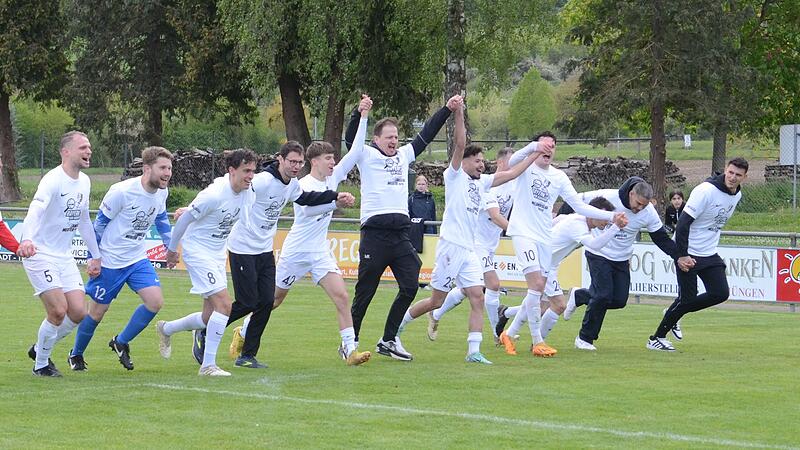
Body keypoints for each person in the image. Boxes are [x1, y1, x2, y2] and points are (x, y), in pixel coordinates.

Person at [397, 100, 543, 364]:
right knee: (435, 301)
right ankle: (397, 328)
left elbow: (510, 174)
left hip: (469, 251)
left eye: (483, 161)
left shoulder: (483, 183)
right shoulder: (454, 176)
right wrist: (459, 111)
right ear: (464, 162)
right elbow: (461, 143)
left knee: (477, 296)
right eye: (477, 161)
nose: (481, 165)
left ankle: (473, 351)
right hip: (451, 247)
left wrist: (534, 155)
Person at [189, 141, 352, 369]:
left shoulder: (292, 184)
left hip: (264, 249)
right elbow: (235, 189)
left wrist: (334, 198)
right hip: (242, 247)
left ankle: (247, 356)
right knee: (247, 302)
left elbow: (306, 198)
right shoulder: (264, 180)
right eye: (292, 161)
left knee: (266, 301)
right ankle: (207, 328)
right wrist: (193, 210)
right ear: (280, 159)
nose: (296, 166)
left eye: (299, 162)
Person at [342, 93, 459, 361]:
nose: (394, 141)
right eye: (388, 137)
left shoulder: (403, 155)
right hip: (374, 234)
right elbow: (351, 140)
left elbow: (427, 133)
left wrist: (446, 109)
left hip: (399, 236)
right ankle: (350, 342)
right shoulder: (366, 154)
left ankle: (388, 339)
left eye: (396, 136)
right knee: (365, 293)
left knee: (410, 282)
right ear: (376, 139)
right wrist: (358, 114)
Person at [266, 105, 373, 366]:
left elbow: (357, 150)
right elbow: (308, 209)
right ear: (314, 162)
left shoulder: (333, 178)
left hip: (319, 252)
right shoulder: (303, 185)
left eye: (334, 159)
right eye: (328, 159)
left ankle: (350, 350)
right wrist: (336, 202)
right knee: (273, 300)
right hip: (296, 251)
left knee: (342, 295)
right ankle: (243, 331)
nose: (334, 163)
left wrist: (364, 116)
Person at [497, 132, 617, 358]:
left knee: (538, 289)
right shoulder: (525, 166)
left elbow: (579, 207)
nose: (548, 149)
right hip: (523, 232)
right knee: (536, 287)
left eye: (552, 146)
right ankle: (536, 341)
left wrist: (611, 218)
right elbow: (510, 163)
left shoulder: (559, 177)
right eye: (545, 144)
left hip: (544, 238)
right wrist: (534, 146)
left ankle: (510, 334)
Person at [66, 147, 173, 371]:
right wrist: (93, 257)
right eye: (162, 167)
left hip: (136, 259)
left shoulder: (162, 192)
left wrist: (169, 247)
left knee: (155, 302)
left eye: (170, 168)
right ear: (146, 168)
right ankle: (76, 354)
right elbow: (99, 225)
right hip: (110, 261)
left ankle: (121, 341)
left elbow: (162, 219)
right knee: (96, 313)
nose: (168, 173)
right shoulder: (121, 191)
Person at [155, 149, 256, 376]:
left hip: (217, 253)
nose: (251, 176)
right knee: (225, 305)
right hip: (198, 251)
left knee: (209, 317)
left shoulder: (248, 193)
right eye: (246, 171)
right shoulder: (215, 194)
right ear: (231, 170)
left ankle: (166, 328)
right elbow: (183, 221)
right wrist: (171, 250)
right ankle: (208, 365)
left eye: (253, 171)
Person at [18, 131, 103, 377]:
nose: (89, 152)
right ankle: (41, 365)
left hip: (64, 256)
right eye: (83, 148)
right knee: (57, 311)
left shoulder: (85, 181)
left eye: (89, 147)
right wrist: (27, 239)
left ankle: (40, 349)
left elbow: (85, 221)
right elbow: (36, 209)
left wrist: (95, 255)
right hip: (40, 253)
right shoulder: (52, 179)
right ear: (66, 152)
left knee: (78, 312)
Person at [561, 177, 682, 350]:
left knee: (619, 300)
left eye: (644, 205)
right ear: (631, 193)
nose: (639, 208)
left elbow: (661, 238)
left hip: (621, 258)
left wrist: (679, 256)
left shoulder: (648, 212)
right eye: (638, 203)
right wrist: (558, 221)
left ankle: (580, 296)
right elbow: (573, 201)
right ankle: (584, 338)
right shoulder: (607, 196)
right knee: (602, 295)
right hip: (598, 251)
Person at [496, 198, 626, 349]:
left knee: (540, 306)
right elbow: (595, 245)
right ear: (591, 214)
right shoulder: (578, 225)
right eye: (603, 217)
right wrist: (615, 227)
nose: (606, 222)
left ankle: (509, 332)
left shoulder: (574, 219)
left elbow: (557, 221)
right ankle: (537, 344)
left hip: (547, 264)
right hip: (542, 264)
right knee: (559, 305)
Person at [647, 158, 747, 351]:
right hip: (688, 251)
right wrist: (681, 255)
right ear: (725, 170)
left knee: (720, 293)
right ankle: (656, 338)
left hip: (709, 253)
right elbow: (683, 224)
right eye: (731, 172)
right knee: (688, 300)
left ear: (745, 177)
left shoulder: (737, 194)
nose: (733, 177)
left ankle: (674, 312)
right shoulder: (705, 191)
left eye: (738, 175)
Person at [424, 147, 516, 343]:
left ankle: (436, 314)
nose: (514, 165)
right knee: (493, 284)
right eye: (511, 161)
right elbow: (495, 216)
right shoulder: (486, 185)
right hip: (475, 243)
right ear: (500, 163)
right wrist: (518, 232)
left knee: (468, 290)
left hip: (490, 244)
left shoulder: (513, 186)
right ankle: (496, 333)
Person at [408, 174, 437, 253]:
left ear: (426, 185)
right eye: (419, 184)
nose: (421, 186)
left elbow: (433, 216)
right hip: (415, 228)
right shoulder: (411, 199)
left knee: (429, 250)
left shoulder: (430, 199)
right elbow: (408, 215)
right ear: (416, 185)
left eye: (423, 184)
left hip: (429, 228)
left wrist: (435, 233)